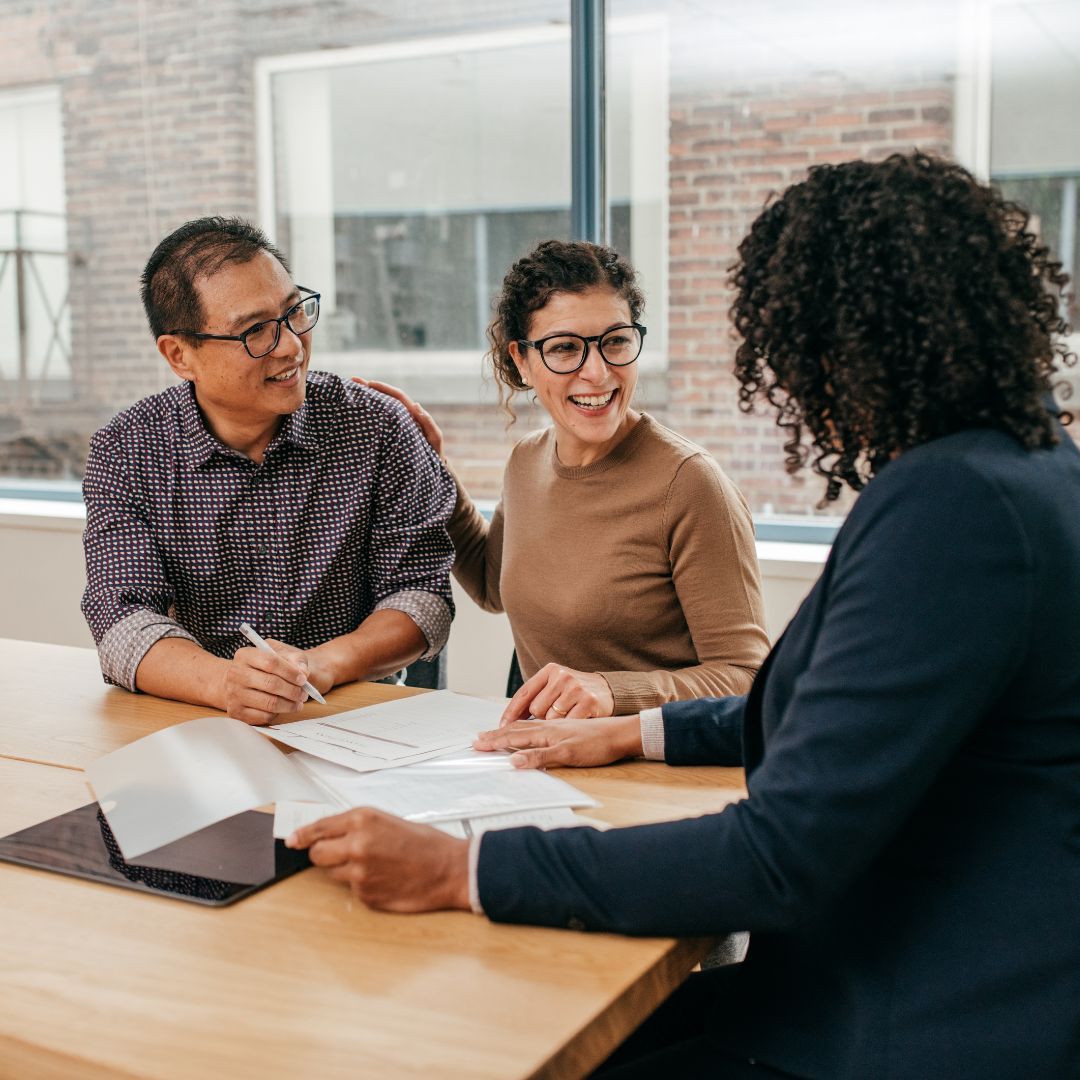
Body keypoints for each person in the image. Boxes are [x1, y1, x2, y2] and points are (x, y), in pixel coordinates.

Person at [288, 153, 1080, 1079]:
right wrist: (634, 735)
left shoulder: (954, 508)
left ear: (855, 340)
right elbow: (836, 717)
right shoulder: (1026, 470)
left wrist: (464, 871)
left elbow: (781, 850)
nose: (801, 389)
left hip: (912, 1019)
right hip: (885, 976)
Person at [356, 239, 770, 722]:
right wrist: (431, 468)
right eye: (565, 348)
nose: (596, 372)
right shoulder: (527, 459)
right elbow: (493, 587)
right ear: (523, 362)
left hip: (653, 768)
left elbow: (745, 676)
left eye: (615, 340)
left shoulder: (691, 484)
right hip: (551, 754)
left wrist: (612, 692)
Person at [81, 217, 455, 725]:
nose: (290, 346)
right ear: (179, 354)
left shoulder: (378, 427)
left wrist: (320, 666)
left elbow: (423, 597)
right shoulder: (126, 450)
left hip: (354, 715)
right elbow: (121, 618)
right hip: (200, 719)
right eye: (255, 330)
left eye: (293, 313)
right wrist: (224, 683)